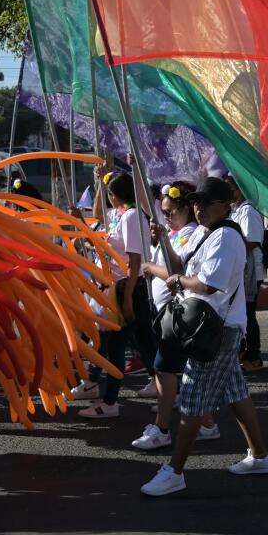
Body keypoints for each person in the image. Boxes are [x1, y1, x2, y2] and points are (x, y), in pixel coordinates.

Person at [140, 177, 268, 496]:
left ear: (224, 206)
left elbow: (208, 284)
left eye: (205, 203)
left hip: (218, 328)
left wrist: (177, 280)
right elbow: (182, 266)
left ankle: (174, 471)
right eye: (195, 202)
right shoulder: (206, 232)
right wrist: (166, 246)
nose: (198, 208)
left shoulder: (227, 237)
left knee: (191, 399)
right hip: (215, 326)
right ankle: (260, 456)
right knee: (236, 392)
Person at [133, 181, 219, 450]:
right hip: (169, 314)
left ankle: (162, 428)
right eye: (165, 211)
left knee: (164, 368)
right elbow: (147, 205)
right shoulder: (175, 230)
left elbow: (176, 268)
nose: (167, 216)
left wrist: (150, 266)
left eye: (171, 212)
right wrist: (137, 172)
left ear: (186, 209)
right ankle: (206, 423)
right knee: (181, 373)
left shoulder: (191, 233)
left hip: (181, 315)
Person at [80, 171, 154, 419]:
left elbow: (134, 260)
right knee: (146, 344)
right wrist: (99, 182)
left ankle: (110, 402)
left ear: (116, 196)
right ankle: (167, 390)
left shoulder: (132, 217)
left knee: (116, 346)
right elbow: (99, 217)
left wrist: (129, 296)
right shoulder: (120, 215)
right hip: (122, 288)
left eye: (109, 194)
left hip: (128, 288)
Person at [226, 176, 265, 372]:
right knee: (242, 314)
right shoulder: (236, 211)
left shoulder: (248, 211)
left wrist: (231, 248)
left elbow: (253, 241)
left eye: (231, 188)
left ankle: (254, 357)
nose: (229, 192)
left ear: (241, 188)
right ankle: (242, 352)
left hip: (252, 273)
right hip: (241, 271)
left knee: (249, 315)